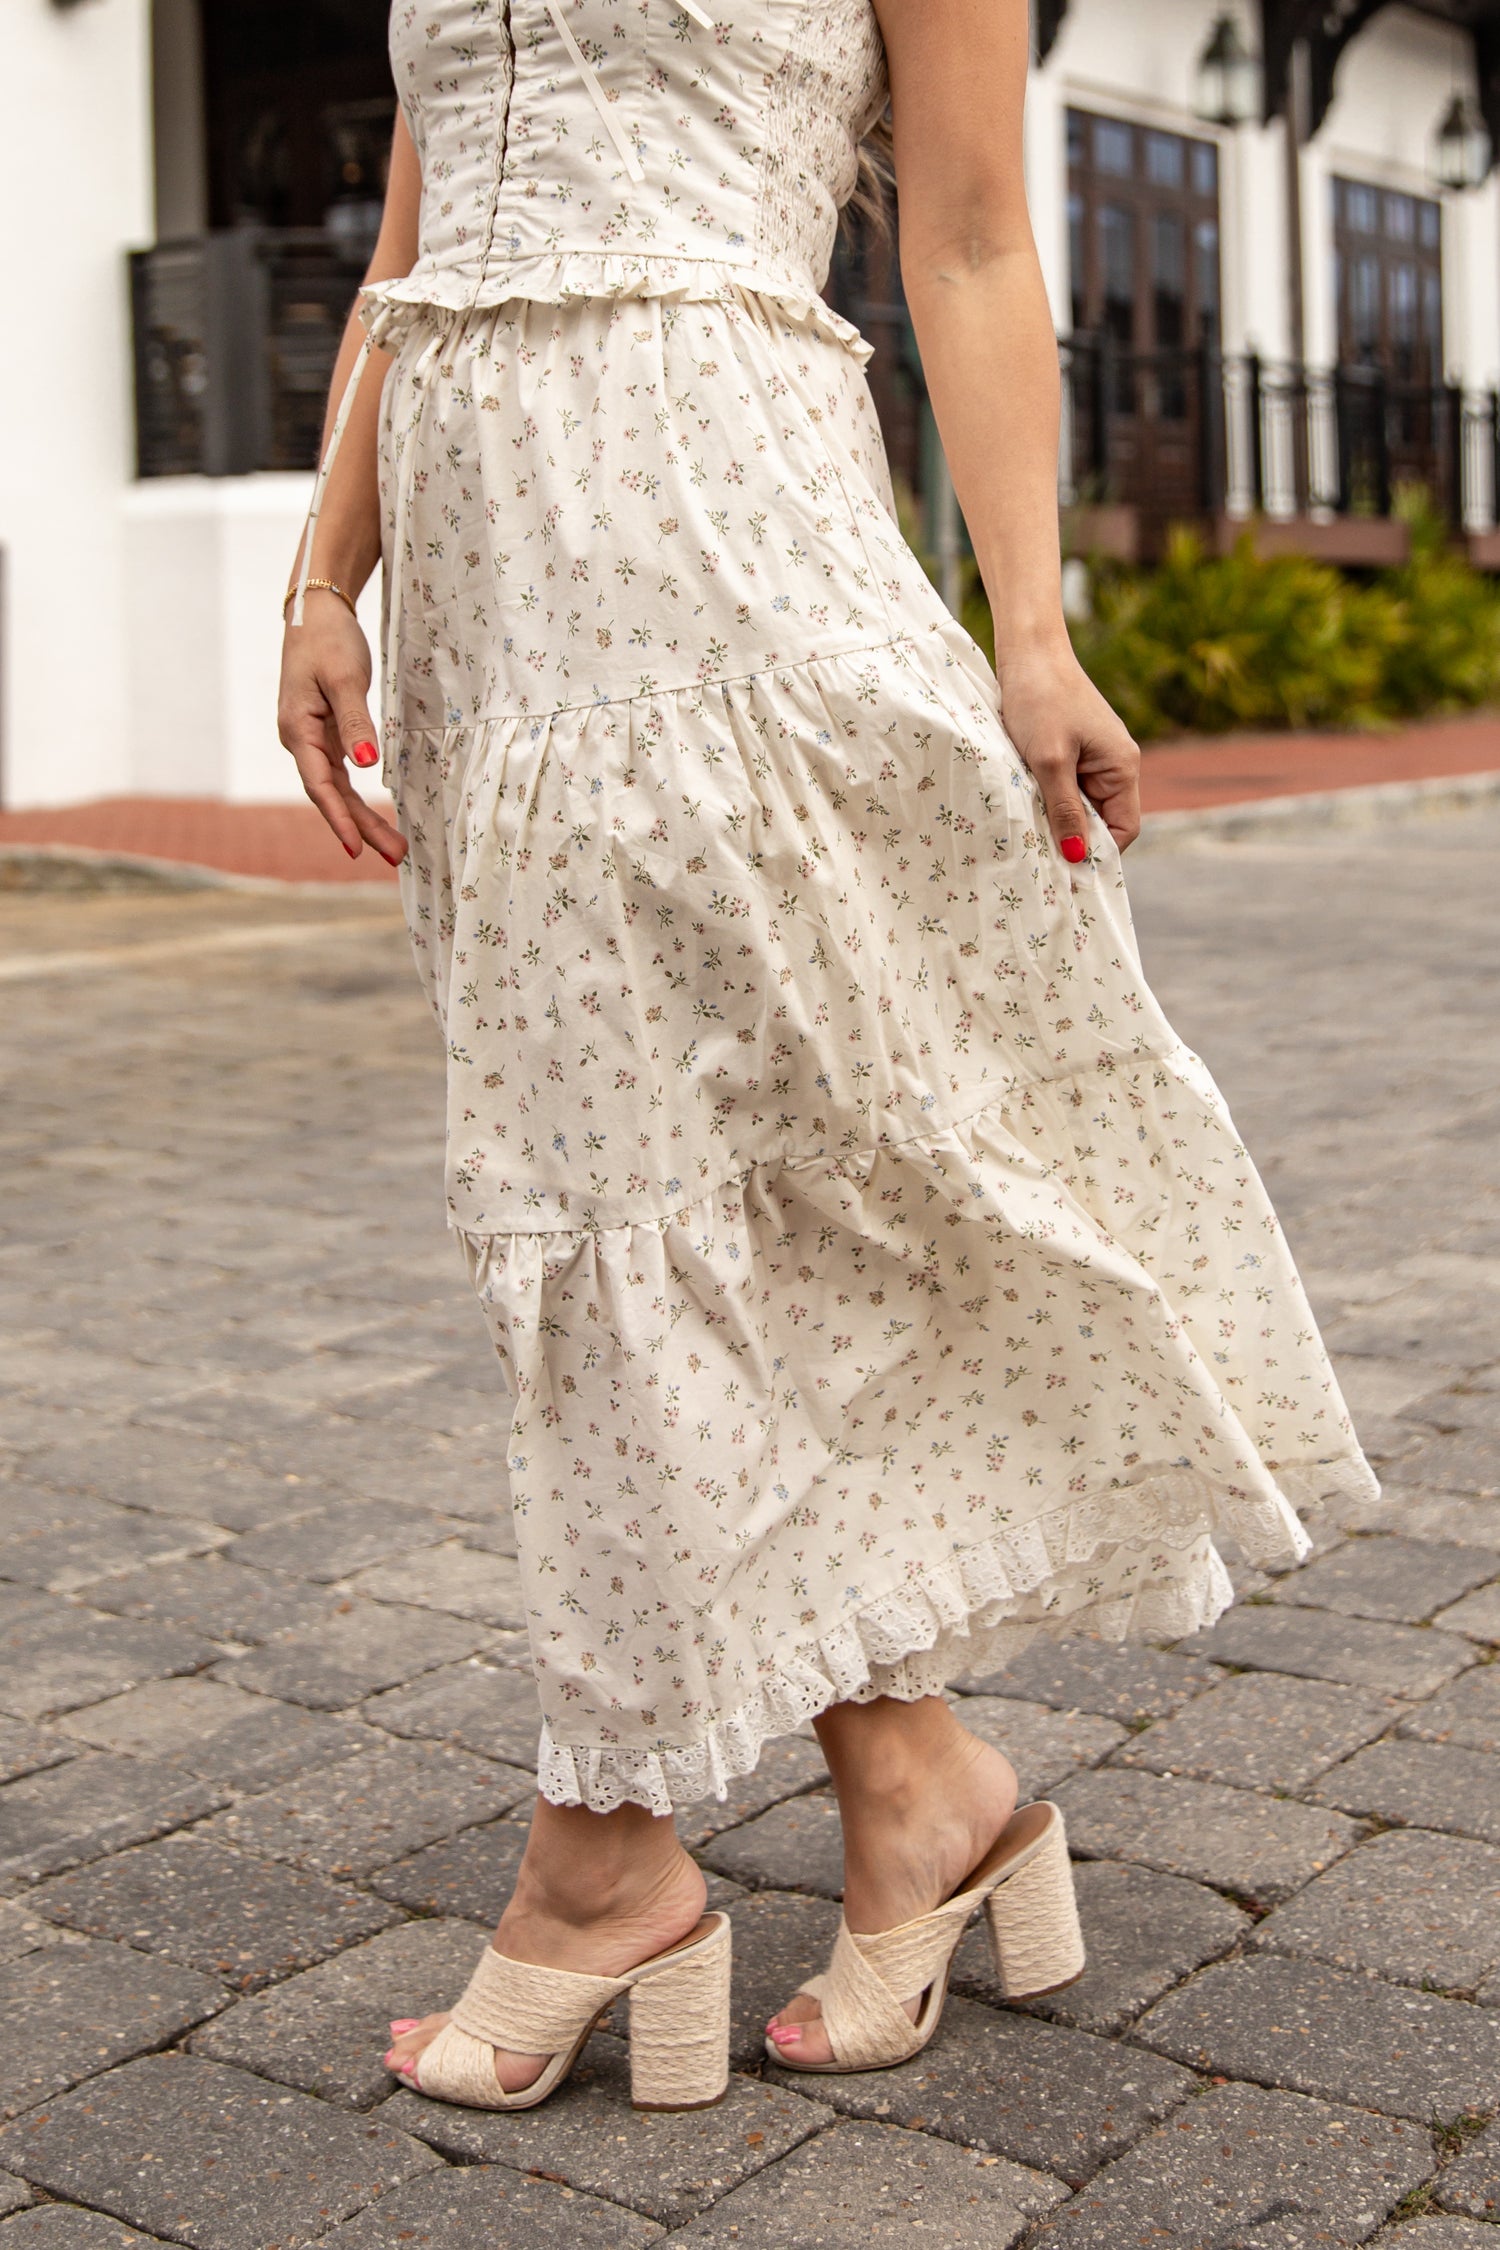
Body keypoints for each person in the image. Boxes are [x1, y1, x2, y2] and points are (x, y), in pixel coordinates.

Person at [277, 0, 1376, 2109]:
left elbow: (964, 237)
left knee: (630, 1187)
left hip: (714, 519)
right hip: (490, 586)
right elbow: (414, 252)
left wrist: (1031, 632)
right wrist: (327, 572)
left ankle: (601, 1859)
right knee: (644, 1176)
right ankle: (924, 1790)